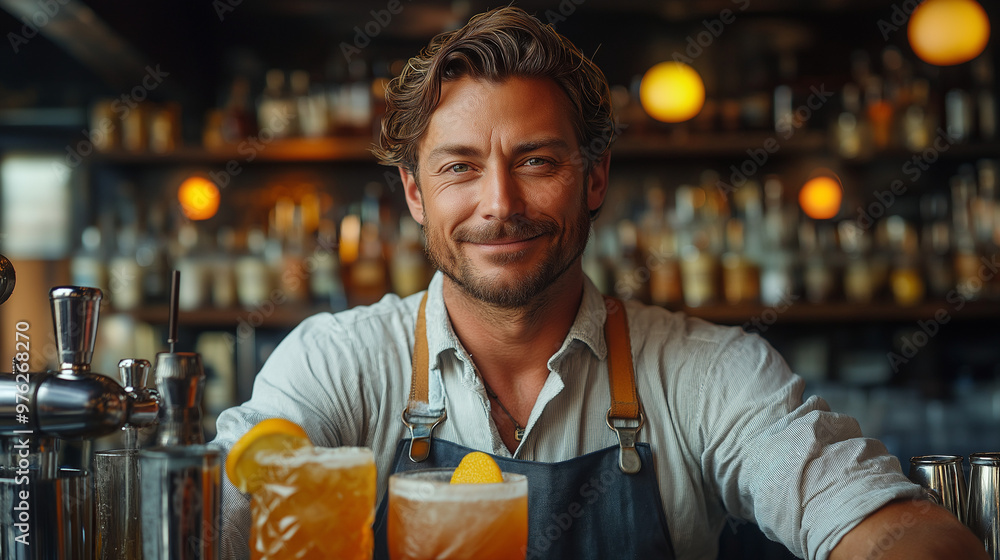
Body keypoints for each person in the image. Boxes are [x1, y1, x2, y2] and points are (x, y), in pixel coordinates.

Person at [212, 6, 987, 560]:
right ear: (415, 195)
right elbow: (220, 506)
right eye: (459, 168)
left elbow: (890, 527)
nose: (500, 205)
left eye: (537, 160)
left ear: (594, 178)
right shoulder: (339, 363)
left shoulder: (706, 373)